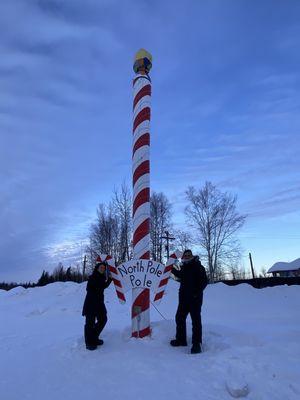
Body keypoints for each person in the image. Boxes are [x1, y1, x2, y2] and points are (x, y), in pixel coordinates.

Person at [170, 249, 208, 354]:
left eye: (188, 255)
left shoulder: (198, 266)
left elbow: (204, 281)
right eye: (185, 255)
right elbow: (180, 276)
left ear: (192, 256)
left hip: (195, 299)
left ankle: (197, 344)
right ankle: (181, 340)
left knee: (195, 321)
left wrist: (196, 293)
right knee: (179, 318)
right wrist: (170, 269)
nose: (186, 256)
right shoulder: (184, 267)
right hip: (183, 299)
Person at [82, 260, 112, 350]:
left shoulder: (102, 277)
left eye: (104, 268)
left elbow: (103, 286)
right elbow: (91, 288)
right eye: (101, 267)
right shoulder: (93, 277)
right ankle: (89, 342)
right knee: (89, 323)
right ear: (97, 268)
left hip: (99, 303)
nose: (102, 269)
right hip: (91, 303)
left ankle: (94, 337)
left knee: (103, 319)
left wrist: (109, 279)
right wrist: (107, 280)